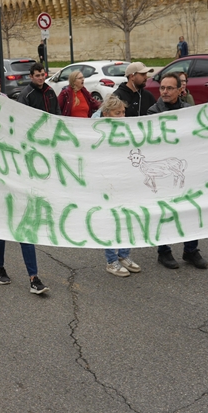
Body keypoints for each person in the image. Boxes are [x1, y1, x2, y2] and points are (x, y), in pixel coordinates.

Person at [0, 62, 54, 295]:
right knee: (1, 230)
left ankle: (33, 277)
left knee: (25, 230)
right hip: (6, 185)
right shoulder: (26, 96)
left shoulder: (50, 92)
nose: (41, 78)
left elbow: (56, 119)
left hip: (27, 179)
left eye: (43, 75)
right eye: (37, 75)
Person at [146, 72, 208, 270]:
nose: (164, 91)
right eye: (162, 88)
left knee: (190, 208)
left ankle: (191, 250)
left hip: (184, 168)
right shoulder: (153, 112)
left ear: (180, 89)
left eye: (169, 88)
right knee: (164, 211)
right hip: (164, 170)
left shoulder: (188, 111)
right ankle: (164, 251)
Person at [91, 96, 144, 277]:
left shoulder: (125, 131)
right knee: (110, 221)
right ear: (106, 114)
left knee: (127, 218)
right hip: (106, 184)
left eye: (123, 112)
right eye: (117, 113)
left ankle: (124, 255)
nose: (122, 116)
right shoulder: (96, 133)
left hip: (124, 181)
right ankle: (111, 260)